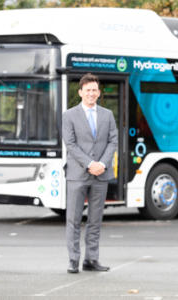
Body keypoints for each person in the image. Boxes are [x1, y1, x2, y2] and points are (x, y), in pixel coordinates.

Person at [62, 73, 118, 274]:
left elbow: (113, 141)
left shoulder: (107, 115)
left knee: (95, 220)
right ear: (80, 93)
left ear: (99, 93)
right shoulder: (69, 115)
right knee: (74, 220)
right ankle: (73, 260)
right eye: (88, 90)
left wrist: (102, 163)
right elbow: (70, 144)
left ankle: (91, 259)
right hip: (78, 174)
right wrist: (90, 163)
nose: (91, 93)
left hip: (101, 174)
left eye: (94, 90)